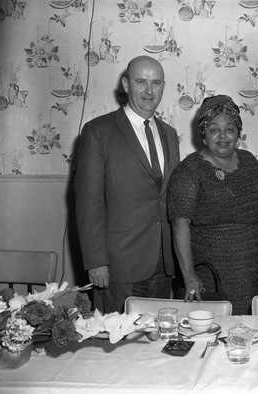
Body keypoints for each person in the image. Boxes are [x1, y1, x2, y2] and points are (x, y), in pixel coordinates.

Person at [74, 56, 180, 313]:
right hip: (119, 266)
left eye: (156, 83)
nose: (149, 90)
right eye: (141, 81)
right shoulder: (98, 131)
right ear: (125, 84)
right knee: (116, 345)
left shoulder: (169, 133)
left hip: (164, 264)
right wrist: (96, 261)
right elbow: (89, 203)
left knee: (156, 342)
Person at [167, 95, 258, 315]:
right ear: (203, 134)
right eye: (214, 129)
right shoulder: (190, 170)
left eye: (230, 129)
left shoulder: (249, 161)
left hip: (256, 267)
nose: (223, 136)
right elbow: (180, 226)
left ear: (238, 132)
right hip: (214, 271)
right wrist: (189, 275)